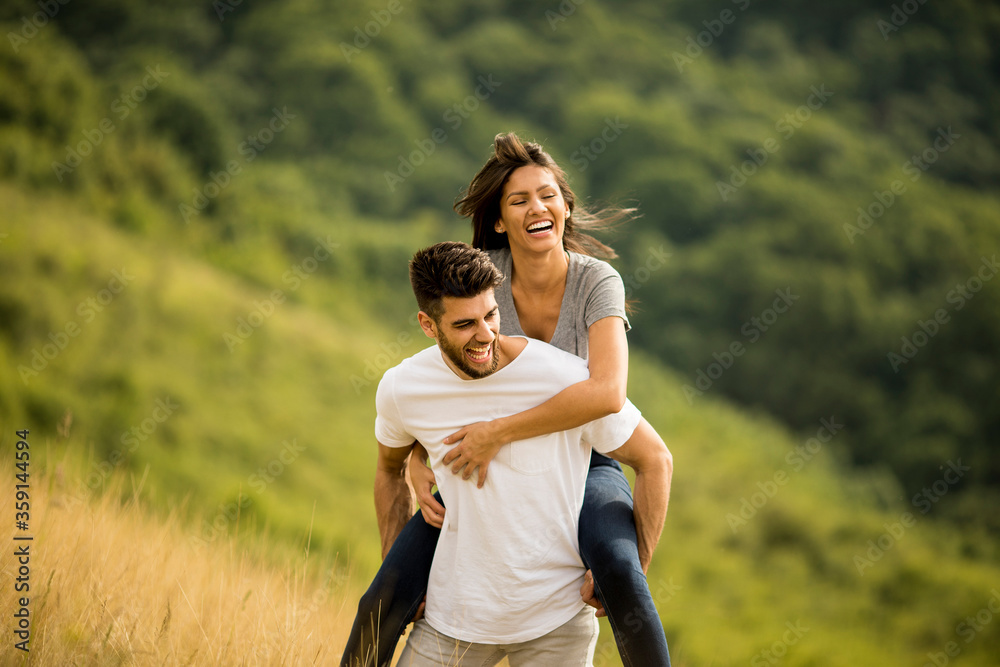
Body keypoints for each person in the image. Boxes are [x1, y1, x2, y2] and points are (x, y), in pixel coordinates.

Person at [341, 134, 674, 666]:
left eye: (548, 195)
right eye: (518, 200)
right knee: (385, 596)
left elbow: (608, 393)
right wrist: (419, 458)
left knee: (620, 572)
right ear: (498, 221)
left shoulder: (595, 282)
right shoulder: (485, 277)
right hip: (481, 455)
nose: (537, 208)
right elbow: (444, 377)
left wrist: (499, 431)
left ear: (566, 206)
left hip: (586, 458)